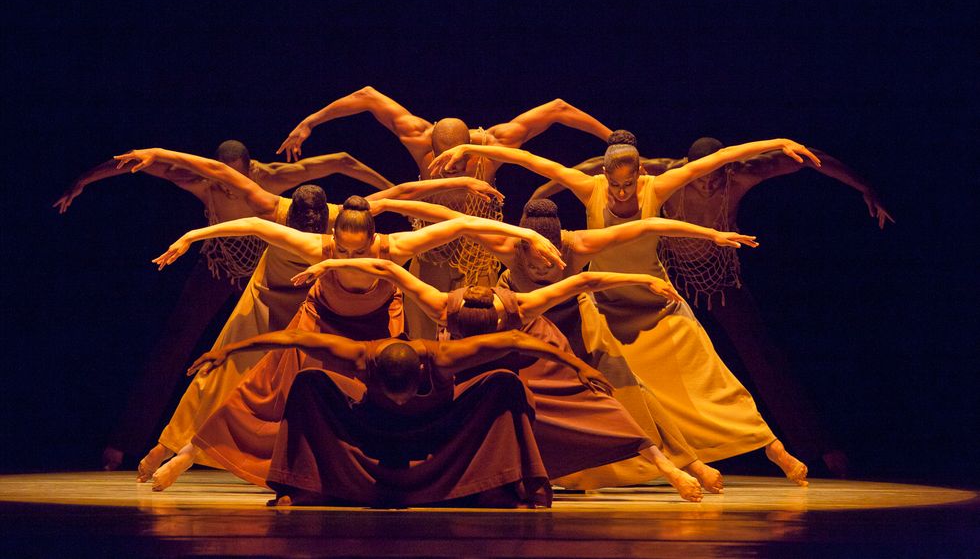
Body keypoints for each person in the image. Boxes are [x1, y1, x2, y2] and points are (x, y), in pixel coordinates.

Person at [428, 138, 822, 486]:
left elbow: (655, 216)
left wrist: (715, 230)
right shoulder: (555, 214)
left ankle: (765, 448)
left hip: (649, 304)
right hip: (597, 312)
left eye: (627, 185)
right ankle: (622, 466)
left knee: (707, 378)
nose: (619, 194)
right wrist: (471, 151)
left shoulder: (588, 237)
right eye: (613, 185)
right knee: (624, 395)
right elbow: (526, 163)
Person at [116, 147, 509, 480]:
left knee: (369, 382)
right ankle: (169, 449)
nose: (309, 224)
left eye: (317, 220)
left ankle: (346, 462)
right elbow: (222, 176)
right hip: (273, 299)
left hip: (339, 306)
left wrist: (462, 185)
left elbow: (403, 193)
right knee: (224, 376)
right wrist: (165, 171)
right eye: (303, 219)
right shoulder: (279, 211)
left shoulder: (348, 223)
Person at [530, 132, 894, 475]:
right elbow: (587, 168)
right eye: (702, 176)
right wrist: (539, 201)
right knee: (625, 362)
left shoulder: (738, 176)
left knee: (760, 355)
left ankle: (815, 446)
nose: (707, 184)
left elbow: (806, 160)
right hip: (668, 279)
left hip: (718, 279)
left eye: (715, 177)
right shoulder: (660, 175)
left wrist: (864, 186)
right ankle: (622, 454)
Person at [148, 196, 564, 491]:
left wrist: (526, 234)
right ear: (334, 236)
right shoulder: (318, 246)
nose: (348, 255)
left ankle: (375, 471)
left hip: (377, 333)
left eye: (357, 248)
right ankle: (186, 455)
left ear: (371, 238)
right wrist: (193, 235)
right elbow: (255, 225)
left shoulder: (395, 247)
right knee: (261, 391)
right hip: (320, 321)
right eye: (342, 247)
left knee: (387, 402)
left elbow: (462, 223)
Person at [55, 140, 394, 471]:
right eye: (227, 184)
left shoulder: (298, 196)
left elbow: (345, 162)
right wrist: (84, 179)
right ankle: (136, 442)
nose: (232, 192)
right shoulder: (239, 193)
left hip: (289, 284)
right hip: (224, 267)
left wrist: (393, 194)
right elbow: (152, 166)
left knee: (300, 364)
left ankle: (310, 454)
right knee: (192, 350)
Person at [296, 257, 709, 502]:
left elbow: (586, 280)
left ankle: (668, 467)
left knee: (598, 405)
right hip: (473, 373)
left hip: (527, 361)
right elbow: (386, 266)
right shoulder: (442, 305)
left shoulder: (523, 307)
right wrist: (330, 263)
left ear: (498, 320)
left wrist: (643, 280)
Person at [276, 86, 615, 338]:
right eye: (444, 161)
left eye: (460, 162)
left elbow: (557, 109)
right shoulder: (417, 136)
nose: (452, 169)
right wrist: (309, 122)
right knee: (424, 344)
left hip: (479, 259)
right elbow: (367, 97)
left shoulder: (492, 145)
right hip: (431, 256)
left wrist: (614, 142)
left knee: (478, 339)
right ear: (430, 148)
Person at [187, 329, 613, 508]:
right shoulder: (358, 355)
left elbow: (517, 338)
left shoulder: (443, 357)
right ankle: (296, 485)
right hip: (369, 431)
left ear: (421, 375)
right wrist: (228, 349)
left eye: (407, 393)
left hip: (440, 431)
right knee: (308, 381)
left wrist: (580, 365)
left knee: (503, 381)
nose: (402, 401)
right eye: (395, 395)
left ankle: (509, 483)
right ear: (372, 375)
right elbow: (293, 337)